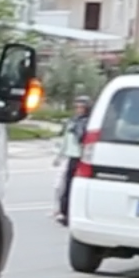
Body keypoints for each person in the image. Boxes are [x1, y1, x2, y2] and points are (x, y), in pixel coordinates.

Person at [53, 95, 90, 225]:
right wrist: (59, 156)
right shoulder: (72, 121)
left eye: (82, 107)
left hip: (80, 158)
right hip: (70, 157)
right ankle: (62, 211)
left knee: (73, 186)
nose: (79, 109)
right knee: (61, 186)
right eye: (77, 106)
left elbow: (84, 140)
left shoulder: (87, 122)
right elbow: (65, 141)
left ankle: (67, 213)